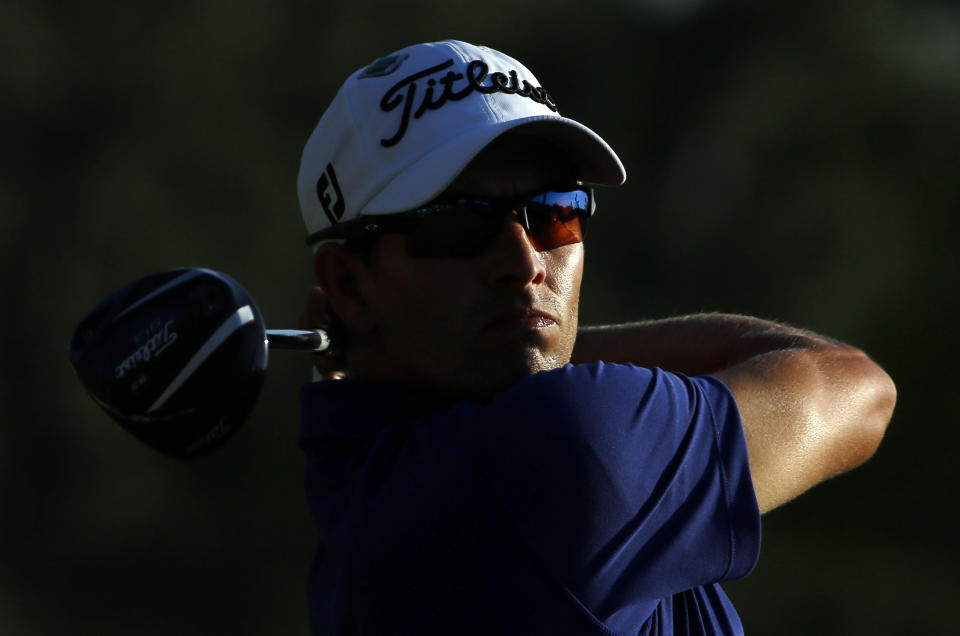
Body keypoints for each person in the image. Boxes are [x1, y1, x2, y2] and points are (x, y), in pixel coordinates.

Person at [294, 40, 896, 636]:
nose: (523, 260)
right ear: (348, 284)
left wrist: (427, 342)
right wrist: (543, 348)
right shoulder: (568, 439)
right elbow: (854, 385)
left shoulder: (353, 488)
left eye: (556, 210)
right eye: (455, 225)